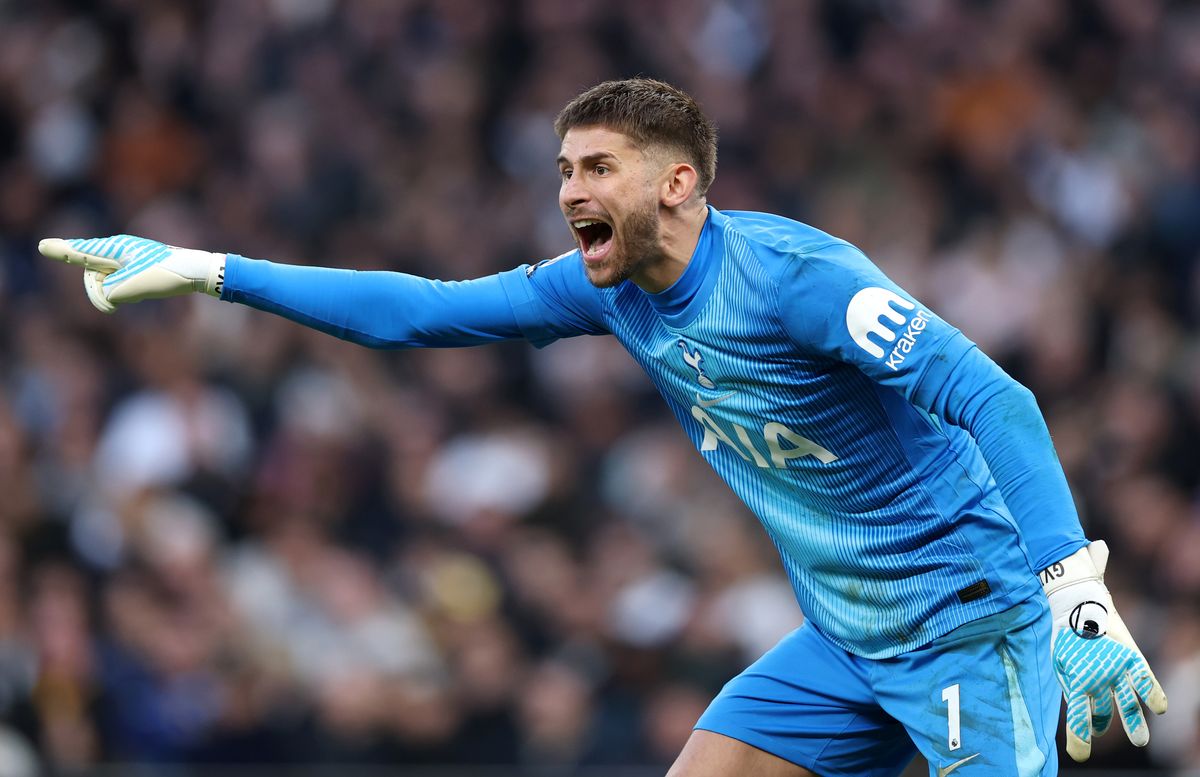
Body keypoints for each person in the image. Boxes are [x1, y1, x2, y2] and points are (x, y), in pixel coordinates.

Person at [40, 78, 1166, 777]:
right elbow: (420, 313)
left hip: (969, 620)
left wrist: (1075, 592)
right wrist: (208, 269)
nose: (570, 190)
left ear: (677, 183)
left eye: (597, 168)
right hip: (844, 641)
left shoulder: (797, 281)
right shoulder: (607, 291)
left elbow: (997, 400)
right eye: (564, 170)